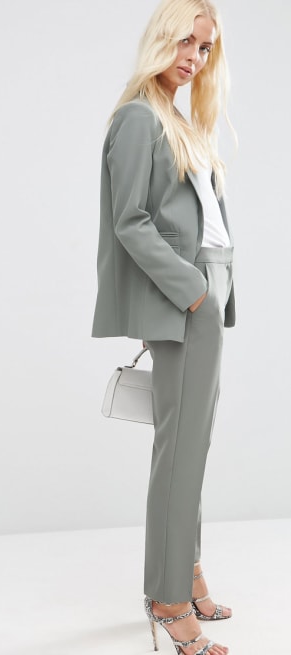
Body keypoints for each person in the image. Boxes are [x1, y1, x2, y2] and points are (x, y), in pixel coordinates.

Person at [91, 1, 236, 654]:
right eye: (185, 41)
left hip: (208, 292)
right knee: (178, 451)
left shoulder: (178, 120)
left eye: (204, 48)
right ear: (160, 39)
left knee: (192, 447)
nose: (194, 58)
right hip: (185, 299)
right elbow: (131, 221)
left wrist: (215, 290)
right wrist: (193, 292)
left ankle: (188, 569)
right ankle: (168, 597)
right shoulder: (136, 118)